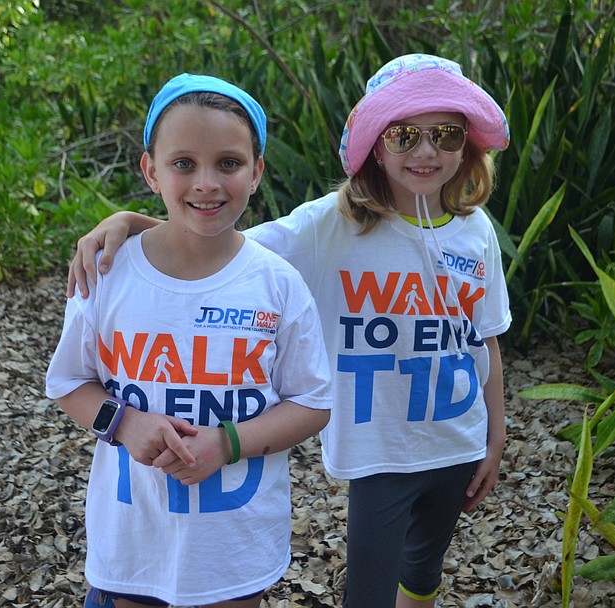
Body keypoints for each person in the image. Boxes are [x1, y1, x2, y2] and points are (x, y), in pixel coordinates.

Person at [67, 54, 511, 608]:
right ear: (376, 145)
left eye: (446, 134)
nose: (426, 151)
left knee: (424, 568)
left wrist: (495, 433)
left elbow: (484, 337)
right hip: (380, 452)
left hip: (458, 437)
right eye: (403, 135)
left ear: (467, 145)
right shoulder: (332, 223)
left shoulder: (477, 230)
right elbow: (221, 243)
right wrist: (133, 224)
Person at [45, 73, 332, 608]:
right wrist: (124, 423)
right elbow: (68, 383)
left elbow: (313, 402)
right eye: (183, 163)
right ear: (151, 171)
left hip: (234, 550)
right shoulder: (106, 273)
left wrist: (226, 444)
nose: (206, 183)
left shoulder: (278, 284)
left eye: (228, 163)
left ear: (257, 171)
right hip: (132, 544)